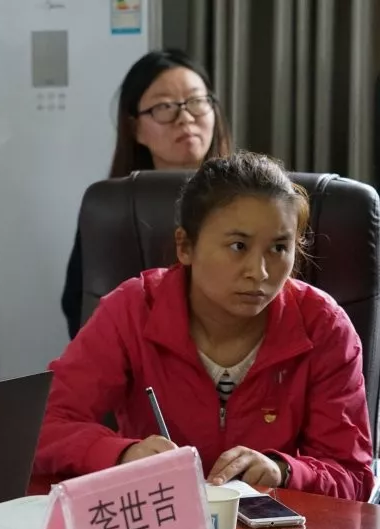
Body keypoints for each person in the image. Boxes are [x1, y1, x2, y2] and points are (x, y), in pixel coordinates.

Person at [35, 151, 374, 502]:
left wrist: (284, 471)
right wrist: (123, 454)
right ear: (185, 246)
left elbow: (354, 476)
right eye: (238, 246)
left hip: (276, 525)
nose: (259, 272)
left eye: (278, 248)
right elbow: (44, 426)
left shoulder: (323, 326)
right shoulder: (133, 309)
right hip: (160, 516)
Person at [61, 49, 234, 340]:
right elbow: (80, 308)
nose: (185, 118)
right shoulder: (112, 208)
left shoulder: (250, 199)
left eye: (196, 101)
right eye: (164, 107)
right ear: (135, 128)